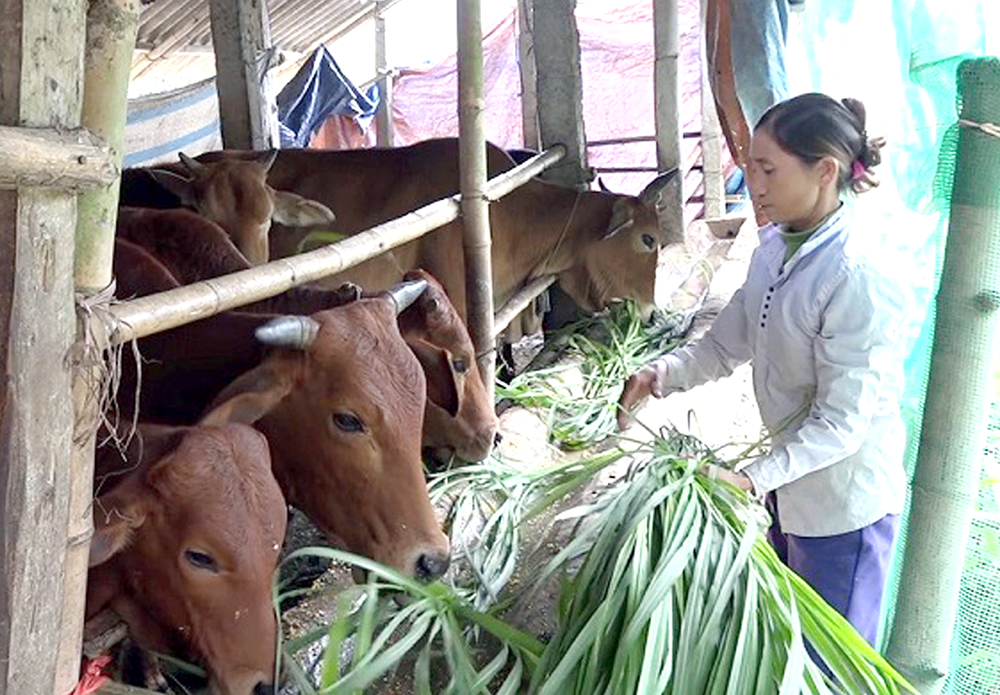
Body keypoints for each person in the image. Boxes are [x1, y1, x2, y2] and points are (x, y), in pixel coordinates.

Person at [617, 92, 909, 649]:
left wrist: (752, 478)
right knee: (791, 639)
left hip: (842, 509)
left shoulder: (858, 276)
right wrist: (660, 374)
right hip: (790, 492)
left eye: (768, 168)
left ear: (824, 171)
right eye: (751, 166)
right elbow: (726, 343)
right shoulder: (773, 248)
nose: (754, 182)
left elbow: (841, 425)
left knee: (833, 664)